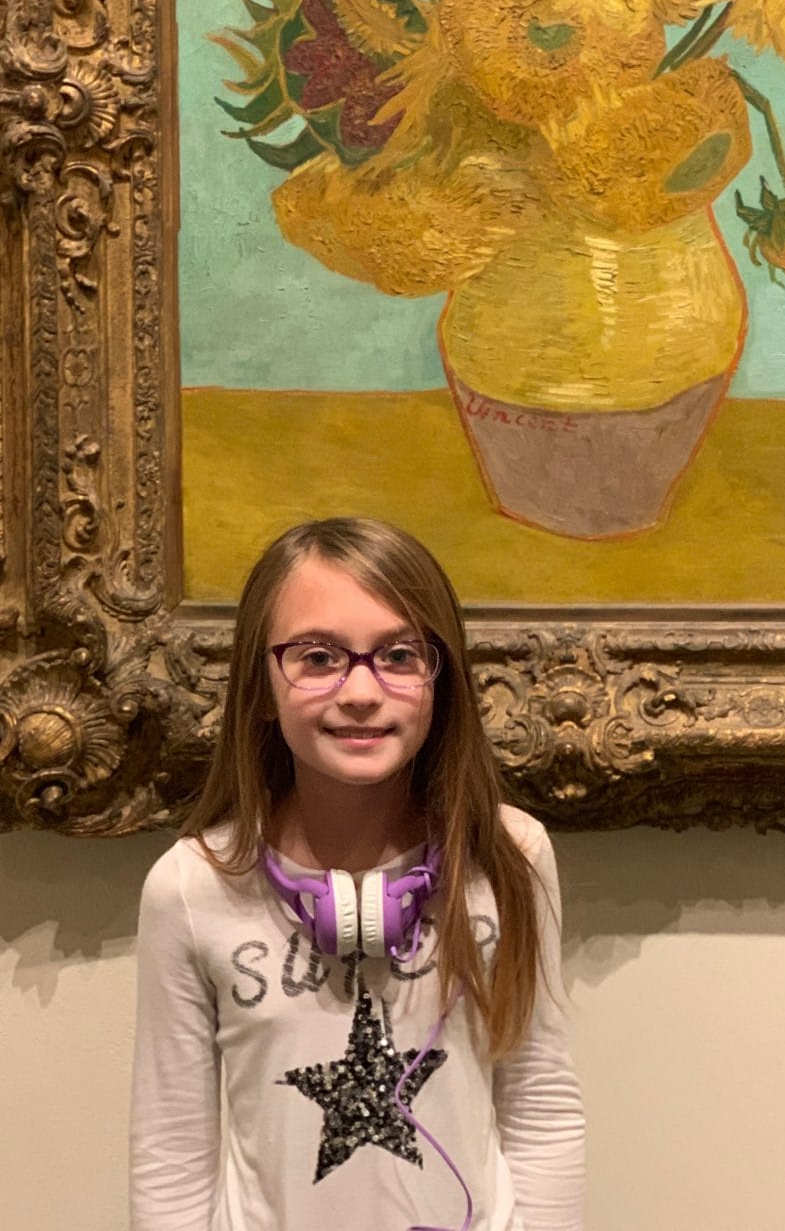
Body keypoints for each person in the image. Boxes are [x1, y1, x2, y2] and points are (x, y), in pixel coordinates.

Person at [130, 517, 585, 1231]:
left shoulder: (509, 854)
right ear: (261, 686)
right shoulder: (191, 886)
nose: (362, 691)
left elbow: (542, 1109)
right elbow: (170, 1155)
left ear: (441, 680)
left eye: (399, 655)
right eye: (318, 657)